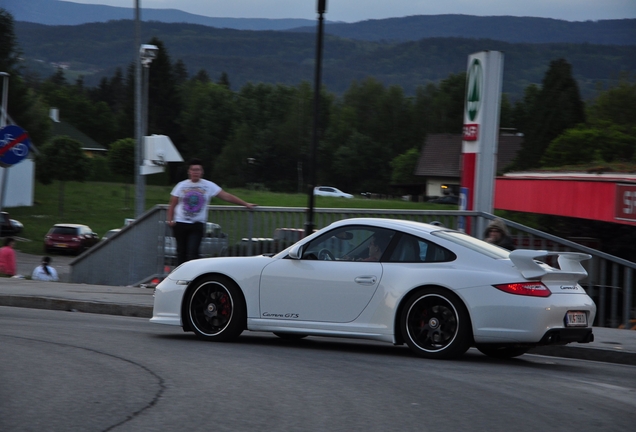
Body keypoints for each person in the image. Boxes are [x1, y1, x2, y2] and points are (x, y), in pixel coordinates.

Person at [167, 158, 257, 265]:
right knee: (181, 251)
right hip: (181, 223)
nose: (195, 172)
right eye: (193, 170)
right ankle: (179, 276)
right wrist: (170, 219)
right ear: (189, 172)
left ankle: (192, 276)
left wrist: (245, 203)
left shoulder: (208, 185)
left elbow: (226, 196)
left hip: (197, 224)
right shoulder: (181, 185)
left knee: (193, 252)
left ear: (202, 172)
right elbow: (173, 203)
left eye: (198, 170)